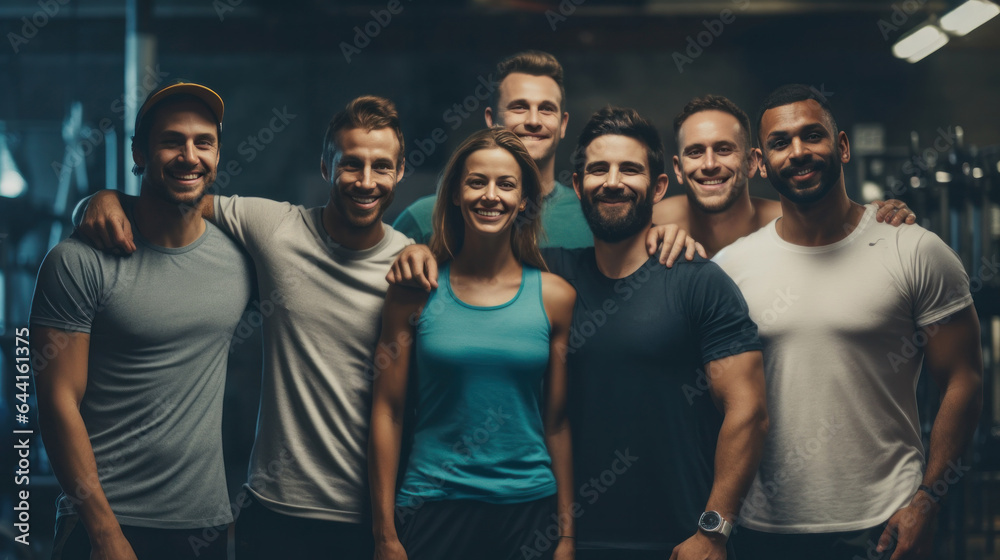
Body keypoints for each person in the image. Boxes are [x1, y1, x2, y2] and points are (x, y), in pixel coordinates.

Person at [387, 108, 769, 560]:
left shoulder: (697, 281)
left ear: (660, 186)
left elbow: (749, 411)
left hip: (676, 542)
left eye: (630, 169)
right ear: (578, 183)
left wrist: (714, 529)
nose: (612, 182)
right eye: (598, 169)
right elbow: (475, 263)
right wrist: (418, 254)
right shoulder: (549, 274)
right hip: (557, 540)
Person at [75, 95, 413, 558]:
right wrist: (102, 199)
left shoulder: (411, 266)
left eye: (381, 167)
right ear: (325, 167)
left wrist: (388, 532)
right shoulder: (276, 228)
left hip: (371, 516)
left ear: (399, 172)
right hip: (273, 511)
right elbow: (177, 198)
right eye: (351, 165)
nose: (366, 181)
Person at [712, 84, 983, 560]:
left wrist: (929, 498)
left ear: (840, 146)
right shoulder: (731, 268)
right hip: (762, 527)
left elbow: (964, 379)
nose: (798, 152)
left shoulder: (914, 249)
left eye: (812, 136)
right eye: (780, 142)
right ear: (759, 160)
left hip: (884, 525)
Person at [31, 82, 254, 560]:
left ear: (218, 153)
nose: (189, 155)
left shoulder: (241, 258)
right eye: (172, 140)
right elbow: (55, 403)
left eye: (203, 142)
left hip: (204, 524)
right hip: (102, 525)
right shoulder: (77, 262)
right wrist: (105, 534)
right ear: (139, 152)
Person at [369, 128, 577, 560]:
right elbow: (388, 410)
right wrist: (385, 535)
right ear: (456, 195)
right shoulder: (414, 291)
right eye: (476, 181)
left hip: (528, 512)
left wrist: (567, 536)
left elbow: (556, 422)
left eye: (506, 184)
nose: (490, 195)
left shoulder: (556, 297)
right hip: (432, 505)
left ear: (523, 200)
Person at [654, 94, 915, 257]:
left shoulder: (794, 222)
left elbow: (847, 229)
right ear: (677, 168)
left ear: (753, 162)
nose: (709, 164)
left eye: (724, 150)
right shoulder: (650, 223)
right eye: (696, 152)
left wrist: (883, 215)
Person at [393, 50, 593, 249]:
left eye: (546, 109)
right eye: (519, 107)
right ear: (490, 119)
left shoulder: (590, 218)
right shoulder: (425, 218)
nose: (534, 121)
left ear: (563, 124)